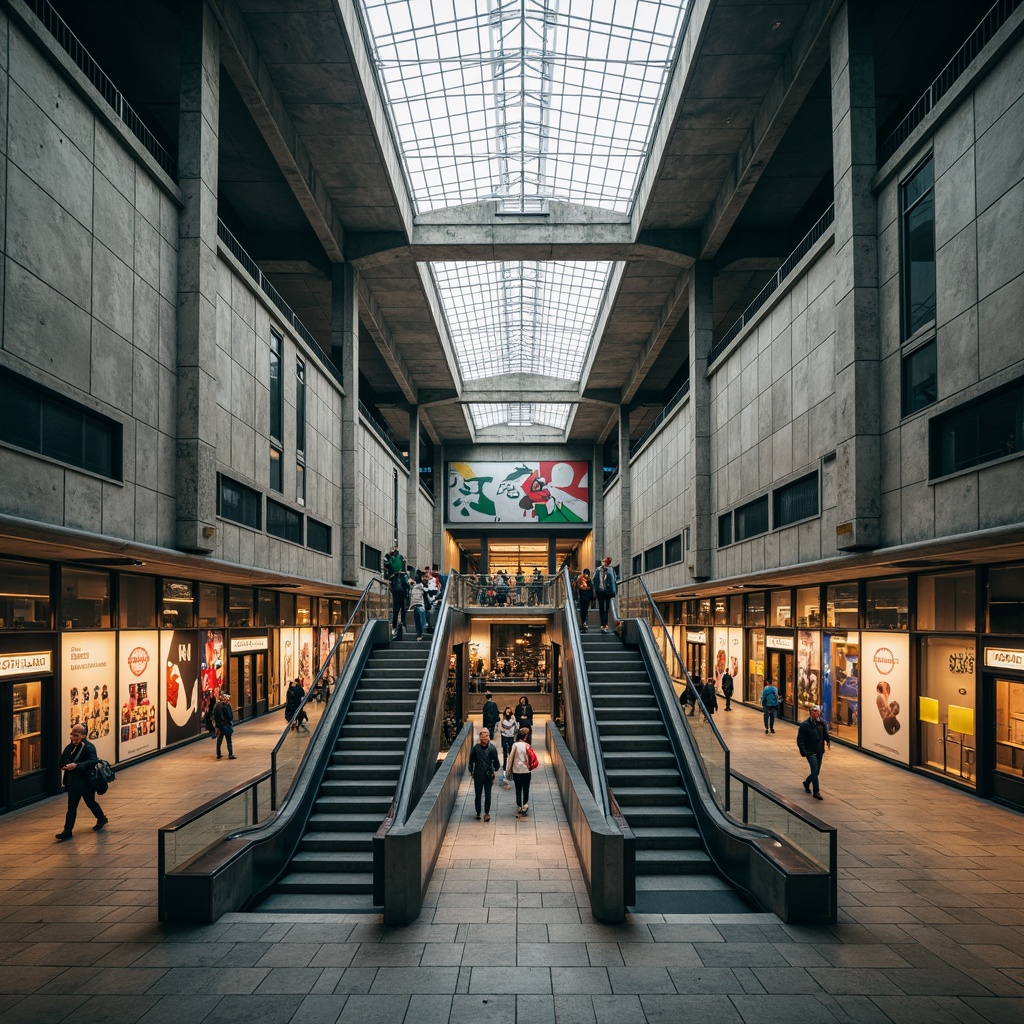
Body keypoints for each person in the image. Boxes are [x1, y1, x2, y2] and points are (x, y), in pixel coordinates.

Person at [54, 723, 107, 841]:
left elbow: (93, 761)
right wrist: (64, 765)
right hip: (72, 782)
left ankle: (101, 818)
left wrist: (76, 765)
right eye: (72, 734)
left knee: (90, 802)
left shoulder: (89, 747)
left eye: (76, 735)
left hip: (86, 781)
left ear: (83, 735)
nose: (74, 737)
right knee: (71, 807)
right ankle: (67, 830)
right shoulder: (70, 747)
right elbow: (62, 760)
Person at [797, 704, 830, 799]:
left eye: (818, 711)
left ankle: (807, 783)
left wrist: (827, 741)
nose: (817, 713)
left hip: (819, 750)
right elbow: (800, 739)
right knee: (814, 770)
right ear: (810, 713)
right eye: (814, 711)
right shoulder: (805, 725)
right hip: (810, 751)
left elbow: (825, 735)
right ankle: (816, 791)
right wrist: (804, 751)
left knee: (816, 772)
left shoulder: (822, 723)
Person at [468, 727, 501, 821]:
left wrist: (494, 769)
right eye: (482, 739)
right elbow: (471, 760)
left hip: (488, 775)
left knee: (488, 794)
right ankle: (478, 812)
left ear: (488, 738)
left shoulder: (492, 748)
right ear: (480, 739)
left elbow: (497, 763)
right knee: (478, 794)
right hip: (478, 774)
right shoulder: (476, 748)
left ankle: (487, 813)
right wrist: (471, 770)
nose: (484, 741)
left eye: (486, 739)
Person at [507, 727, 534, 816]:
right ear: (525, 737)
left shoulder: (515, 745)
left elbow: (510, 759)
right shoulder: (527, 746)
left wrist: (508, 771)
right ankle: (525, 804)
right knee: (526, 788)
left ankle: (519, 805)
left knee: (518, 789)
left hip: (517, 771)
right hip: (526, 770)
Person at [593, 556, 617, 633]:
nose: (605, 564)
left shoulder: (611, 569)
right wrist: (596, 589)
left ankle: (605, 624)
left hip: (607, 591)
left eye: (607, 562)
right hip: (600, 591)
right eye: (605, 562)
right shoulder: (598, 569)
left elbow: (614, 580)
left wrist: (613, 590)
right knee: (601, 608)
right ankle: (602, 623)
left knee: (606, 609)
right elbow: (594, 579)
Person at [213, 692, 236, 759]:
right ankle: (229, 754)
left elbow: (229, 716)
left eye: (228, 698)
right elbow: (228, 716)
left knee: (221, 741)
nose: (227, 699)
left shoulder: (221, 706)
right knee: (226, 741)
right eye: (226, 698)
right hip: (224, 726)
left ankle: (220, 754)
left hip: (223, 726)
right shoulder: (222, 706)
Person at [409, 570, 428, 641]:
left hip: (414, 604)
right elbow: (426, 593)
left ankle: (419, 634)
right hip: (421, 604)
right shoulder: (422, 585)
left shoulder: (413, 586)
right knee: (421, 620)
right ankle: (421, 633)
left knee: (418, 620)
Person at [389, 569, 409, 638]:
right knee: (399, 610)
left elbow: (391, 586)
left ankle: (398, 625)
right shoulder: (401, 577)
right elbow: (407, 585)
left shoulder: (396, 577)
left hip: (399, 596)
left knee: (398, 610)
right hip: (400, 596)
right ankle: (400, 624)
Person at [499, 705, 517, 775]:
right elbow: (500, 726)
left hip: (511, 736)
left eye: (509, 710)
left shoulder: (512, 717)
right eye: (507, 710)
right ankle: (504, 765)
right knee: (505, 751)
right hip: (504, 736)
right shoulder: (503, 718)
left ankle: (511, 765)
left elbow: (515, 725)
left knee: (510, 751)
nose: (508, 711)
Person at [574, 567, 593, 631]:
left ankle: (583, 624)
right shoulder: (589, 580)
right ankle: (585, 623)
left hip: (582, 597)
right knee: (586, 611)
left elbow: (576, 586)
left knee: (582, 611)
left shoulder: (580, 579)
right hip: (587, 598)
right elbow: (591, 589)